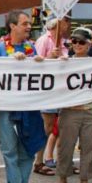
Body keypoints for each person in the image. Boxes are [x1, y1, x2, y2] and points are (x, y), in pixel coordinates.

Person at [0, 10, 44, 183]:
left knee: (28, 146)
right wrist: (10, 62)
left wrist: (41, 63)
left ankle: (21, 182)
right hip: (7, 106)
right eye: (25, 23)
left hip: (29, 106)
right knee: (10, 148)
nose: (29, 26)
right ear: (12, 26)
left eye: (29, 23)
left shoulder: (32, 48)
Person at [56, 27, 92, 183]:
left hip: (90, 110)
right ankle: (63, 180)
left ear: (89, 44)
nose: (77, 44)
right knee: (65, 147)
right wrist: (54, 60)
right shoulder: (64, 62)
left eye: (81, 41)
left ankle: (84, 182)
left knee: (90, 147)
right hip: (69, 111)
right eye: (74, 41)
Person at [34, 16, 70, 174]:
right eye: (65, 22)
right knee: (47, 127)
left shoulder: (63, 41)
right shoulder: (44, 40)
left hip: (60, 89)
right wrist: (50, 57)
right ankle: (38, 161)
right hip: (47, 90)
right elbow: (36, 64)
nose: (67, 25)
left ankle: (58, 160)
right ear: (58, 24)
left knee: (60, 127)